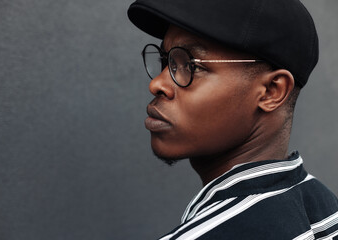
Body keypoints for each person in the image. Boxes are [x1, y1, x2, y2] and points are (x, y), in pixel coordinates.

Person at [127, 0, 338, 239]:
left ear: (272, 91)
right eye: (167, 62)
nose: (157, 84)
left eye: (190, 65)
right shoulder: (326, 209)